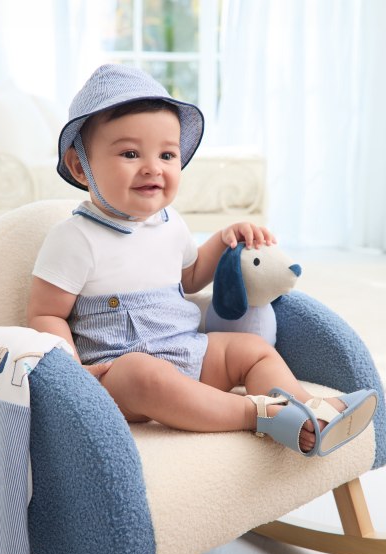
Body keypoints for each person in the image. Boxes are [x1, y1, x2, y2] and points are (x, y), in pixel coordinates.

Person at [27, 64, 377, 457]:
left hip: (187, 351)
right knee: (141, 372)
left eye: (167, 154)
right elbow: (46, 313)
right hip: (121, 376)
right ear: (81, 167)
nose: (153, 167)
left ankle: (305, 411)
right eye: (130, 153)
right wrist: (76, 375)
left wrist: (225, 241)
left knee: (250, 349)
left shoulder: (170, 223)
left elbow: (191, 277)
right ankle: (256, 413)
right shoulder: (74, 238)